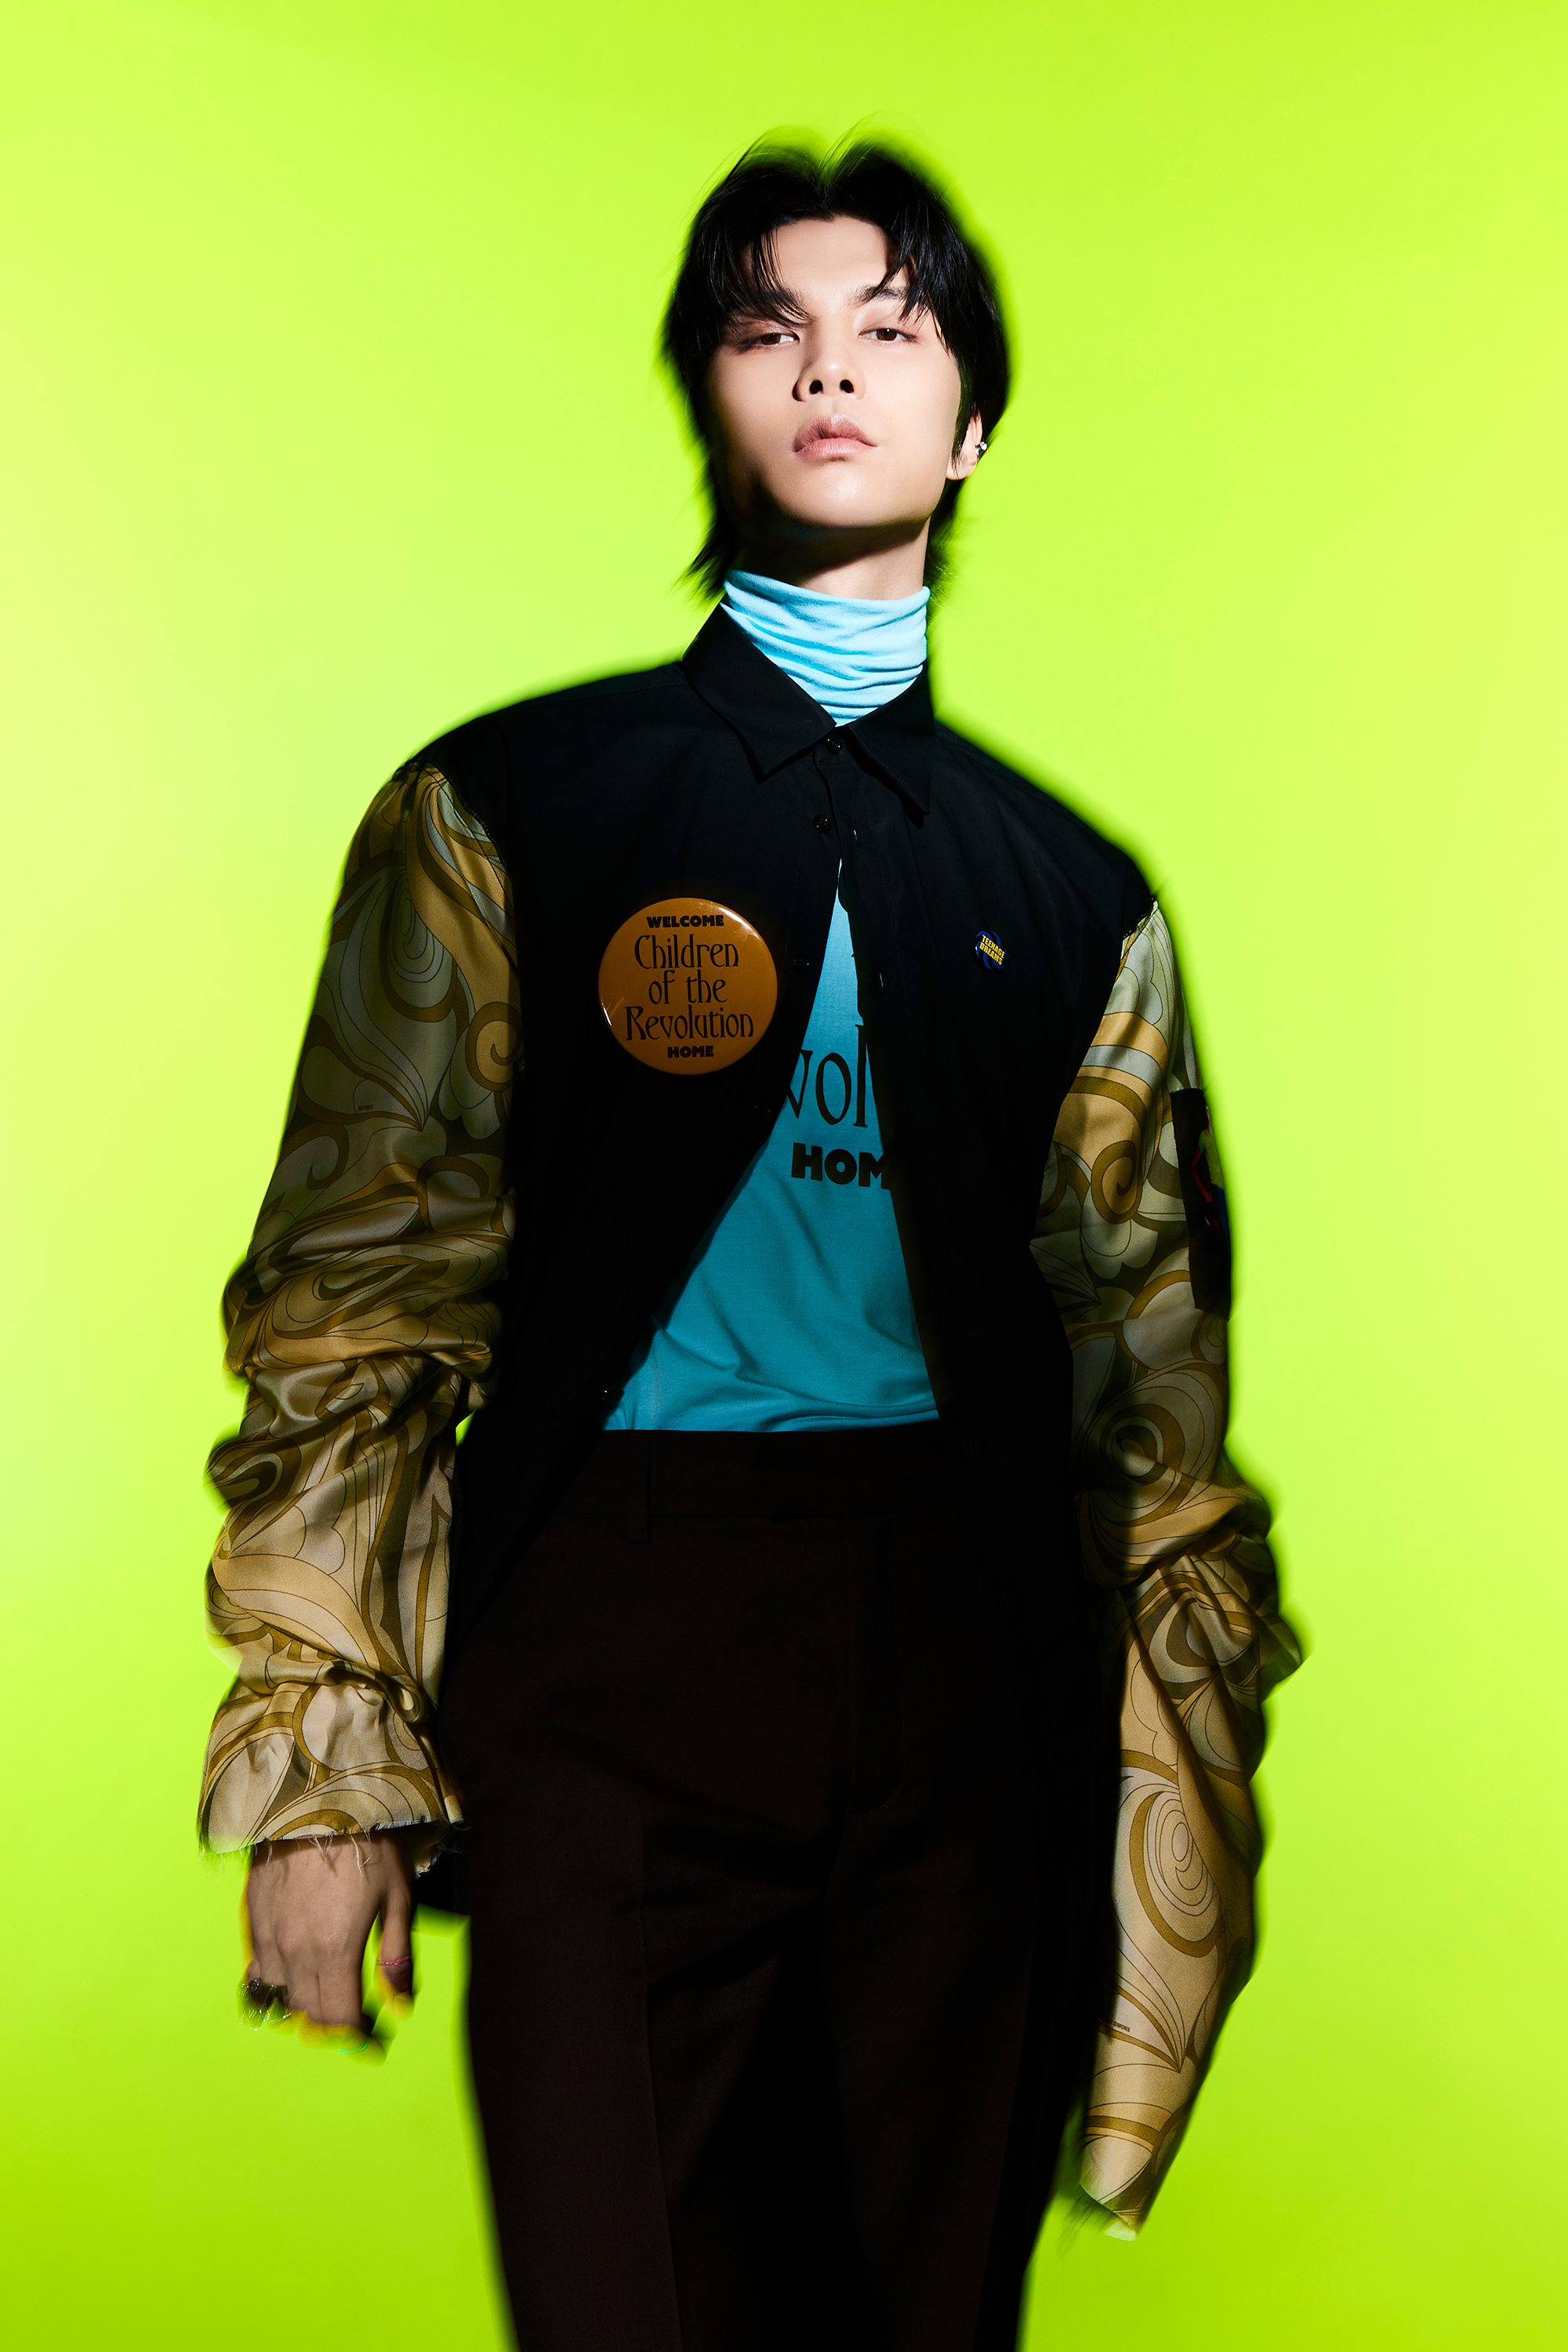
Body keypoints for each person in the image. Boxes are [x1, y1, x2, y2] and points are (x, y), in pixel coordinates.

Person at [203, 141, 1298, 2350]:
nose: (829, 371)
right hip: (610, 1647)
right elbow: (354, 1297)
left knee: (925, 2317)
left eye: (893, 331)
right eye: (766, 327)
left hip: (969, 1661)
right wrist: (319, 1770)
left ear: (972, 426)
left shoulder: (1078, 895)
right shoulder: (507, 806)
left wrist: (1163, 1838)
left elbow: (1146, 1394)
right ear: (703, 393)